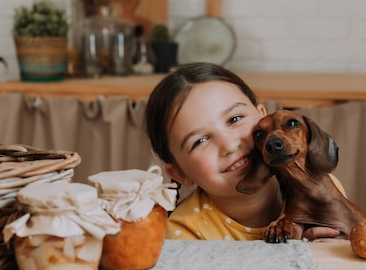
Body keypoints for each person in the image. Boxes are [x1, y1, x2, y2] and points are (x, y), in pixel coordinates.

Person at [144, 62, 345, 241]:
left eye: (235, 119)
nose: (230, 146)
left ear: (263, 117)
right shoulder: (185, 234)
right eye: (201, 141)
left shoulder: (322, 190)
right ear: (179, 173)